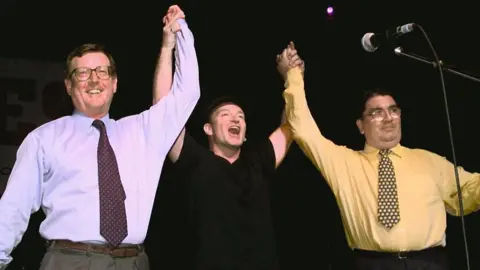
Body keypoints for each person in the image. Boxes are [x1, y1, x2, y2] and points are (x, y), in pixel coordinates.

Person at [0, 5, 199, 270]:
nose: (94, 80)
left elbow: (187, 93)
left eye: (102, 71)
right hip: (69, 261)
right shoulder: (43, 139)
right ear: (69, 86)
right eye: (82, 73)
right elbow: (14, 208)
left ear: (115, 83)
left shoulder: (143, 131)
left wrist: (177, 35)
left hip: (135, 262)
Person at [282, 46, 480, 270]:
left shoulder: (430, 161)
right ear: (361, 126)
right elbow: (303, 130)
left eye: (394, 110)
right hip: (373, 265)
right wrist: (293, 75)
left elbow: (470, 188)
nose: (388, 118)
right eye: (377, 113)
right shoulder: (344, 162)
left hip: (430, 263)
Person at [152, 36, 302, 269]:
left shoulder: (258, 162)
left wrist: (293, 79)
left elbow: (291, 125)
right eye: (225, 115)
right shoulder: (196, 161)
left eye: (240, 117)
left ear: (245, 133)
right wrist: (166, 47)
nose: (235, 118)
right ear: (208, 129)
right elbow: (162, 112)